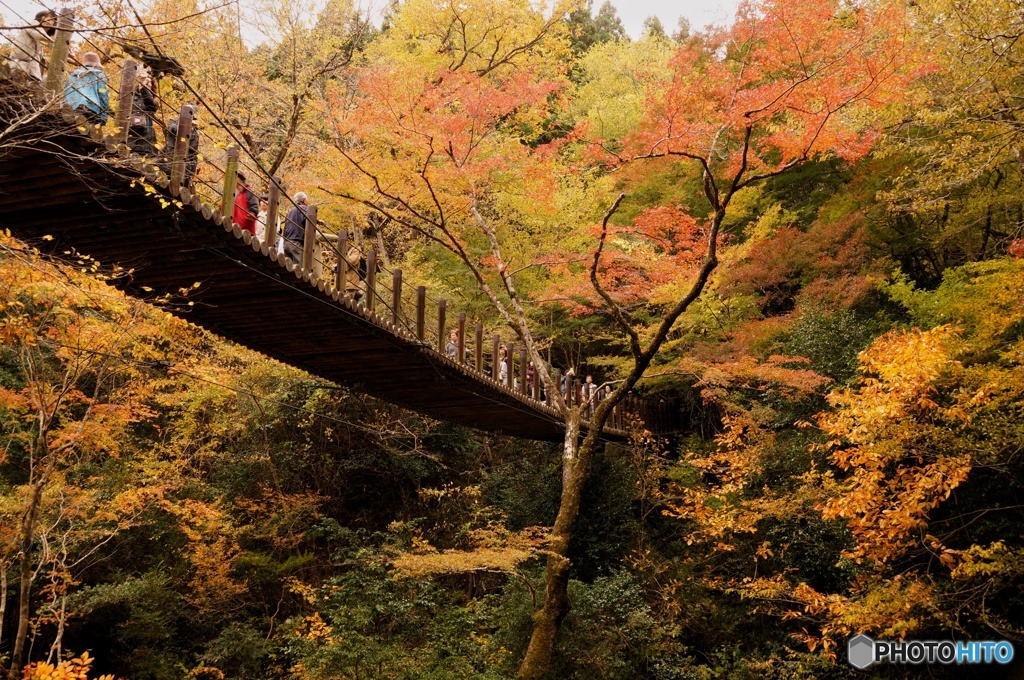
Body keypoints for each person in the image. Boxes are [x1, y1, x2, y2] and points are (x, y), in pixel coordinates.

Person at [63, 52, 109, 125]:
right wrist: (103, 116)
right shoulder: (99, 75)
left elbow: (65, 92)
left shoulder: (73, 75)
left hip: (71, 107)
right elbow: (103, 94)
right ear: (96, 64)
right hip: (90, 109)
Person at [9, 10, 55, 81]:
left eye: (52, 19)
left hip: (27, 69)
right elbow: (40, 35)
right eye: (46, 17)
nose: (48, 20)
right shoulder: (33, 24)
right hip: (18, 64)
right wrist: (58, 45)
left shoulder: (39, 43)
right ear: (40, 18)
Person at [165, 104, 200, 187]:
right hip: (169, 160)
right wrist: (187, 126)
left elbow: (194, 154)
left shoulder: (195, 134)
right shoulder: (173, 122)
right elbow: (174, 130)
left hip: (185, 166)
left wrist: (192, 173)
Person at [127, 67, 158, 155]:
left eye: (148, 82)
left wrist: (143, 88)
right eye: (145, 82)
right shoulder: (130, 96)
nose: (146, 84)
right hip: (130, 138)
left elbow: (152, 107)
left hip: (146, 139)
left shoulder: (152, 101)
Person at [283, 192, 309, 263]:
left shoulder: (289, 212)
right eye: (307, 200)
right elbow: (308, 222)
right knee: (298, 268)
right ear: (304, 200)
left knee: (288, 267)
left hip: (286, 242)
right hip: (296, 242)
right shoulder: (304, 208)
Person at [232, 171, 258, 235]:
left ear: (242, 180)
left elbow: (254, 206)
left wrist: (251, 214)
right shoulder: (233, 192)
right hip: (233, 225)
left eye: (236, 177)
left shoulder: (248, 191)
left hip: (245, 229)